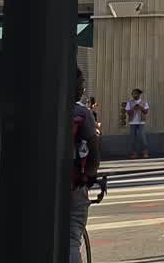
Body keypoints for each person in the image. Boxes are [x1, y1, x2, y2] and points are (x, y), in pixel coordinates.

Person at [69, 68, 100, 263]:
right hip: (73, 184)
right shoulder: (81, 113)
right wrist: (89, 175)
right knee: (71, 238)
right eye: (81, 83)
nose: (82, 88)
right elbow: (94, 151)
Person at [125, 88, 150, 158]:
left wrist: (140, 107)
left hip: (141, 122)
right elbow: (128, 113)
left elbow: (146, 112)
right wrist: (133, 108)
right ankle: (134, 153)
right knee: (133, 139)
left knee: (142, 138)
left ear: (139, 94)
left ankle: (145, 152)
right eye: (133, 93)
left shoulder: (144, 102)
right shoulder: (129, 103)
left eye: (135, 93)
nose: (134, 95)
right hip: (132, 123)